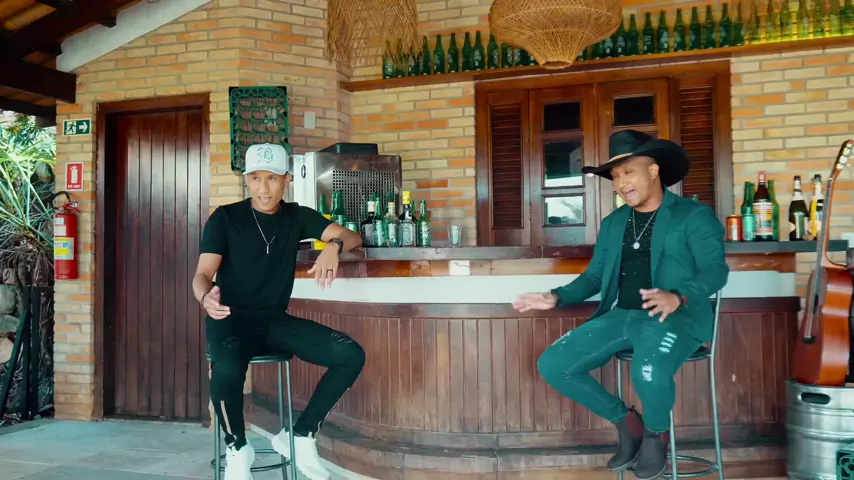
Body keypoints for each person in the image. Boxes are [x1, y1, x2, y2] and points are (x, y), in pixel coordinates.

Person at [512, 130, 729, 480]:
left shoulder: (693, 215)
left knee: (647, 369)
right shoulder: (614, 223)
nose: (620, 183)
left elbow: (716, 270)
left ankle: (656, 436)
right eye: (614, 176)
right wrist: (557, 296)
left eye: (628, 172)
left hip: (675, 316)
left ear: (653, 171)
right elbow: (596, 277)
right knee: (553, 364)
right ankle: (629, 423)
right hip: (622, 316)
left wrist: (678, 296)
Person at [192, 143, 365, 480]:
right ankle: (238, 447)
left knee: (350, 355)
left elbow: (352, 236)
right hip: (229, 318)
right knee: (225, 370)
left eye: (272, 178)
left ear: (287, 180)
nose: (264, 188)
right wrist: (205, 297)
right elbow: (202, 274)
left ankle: (300, 435)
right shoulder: (225, 218)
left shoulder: (297, 216)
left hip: (274, 321)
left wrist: (333, 246)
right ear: (247, 180)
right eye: (256, 178)